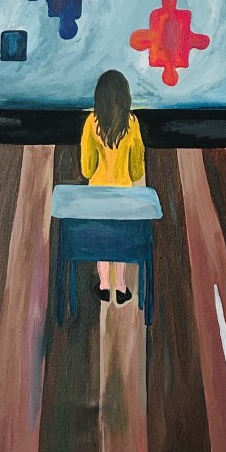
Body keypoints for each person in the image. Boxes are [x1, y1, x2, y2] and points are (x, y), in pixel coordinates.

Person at [81, 70, 145, 304]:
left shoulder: (91, 123)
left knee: (102, 236)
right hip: (124, 194)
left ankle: (104, 284)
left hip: (97, 195)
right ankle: (120, 285)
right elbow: (137, 169)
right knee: (120, 237)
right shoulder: (132, 123)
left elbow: (87, 169)